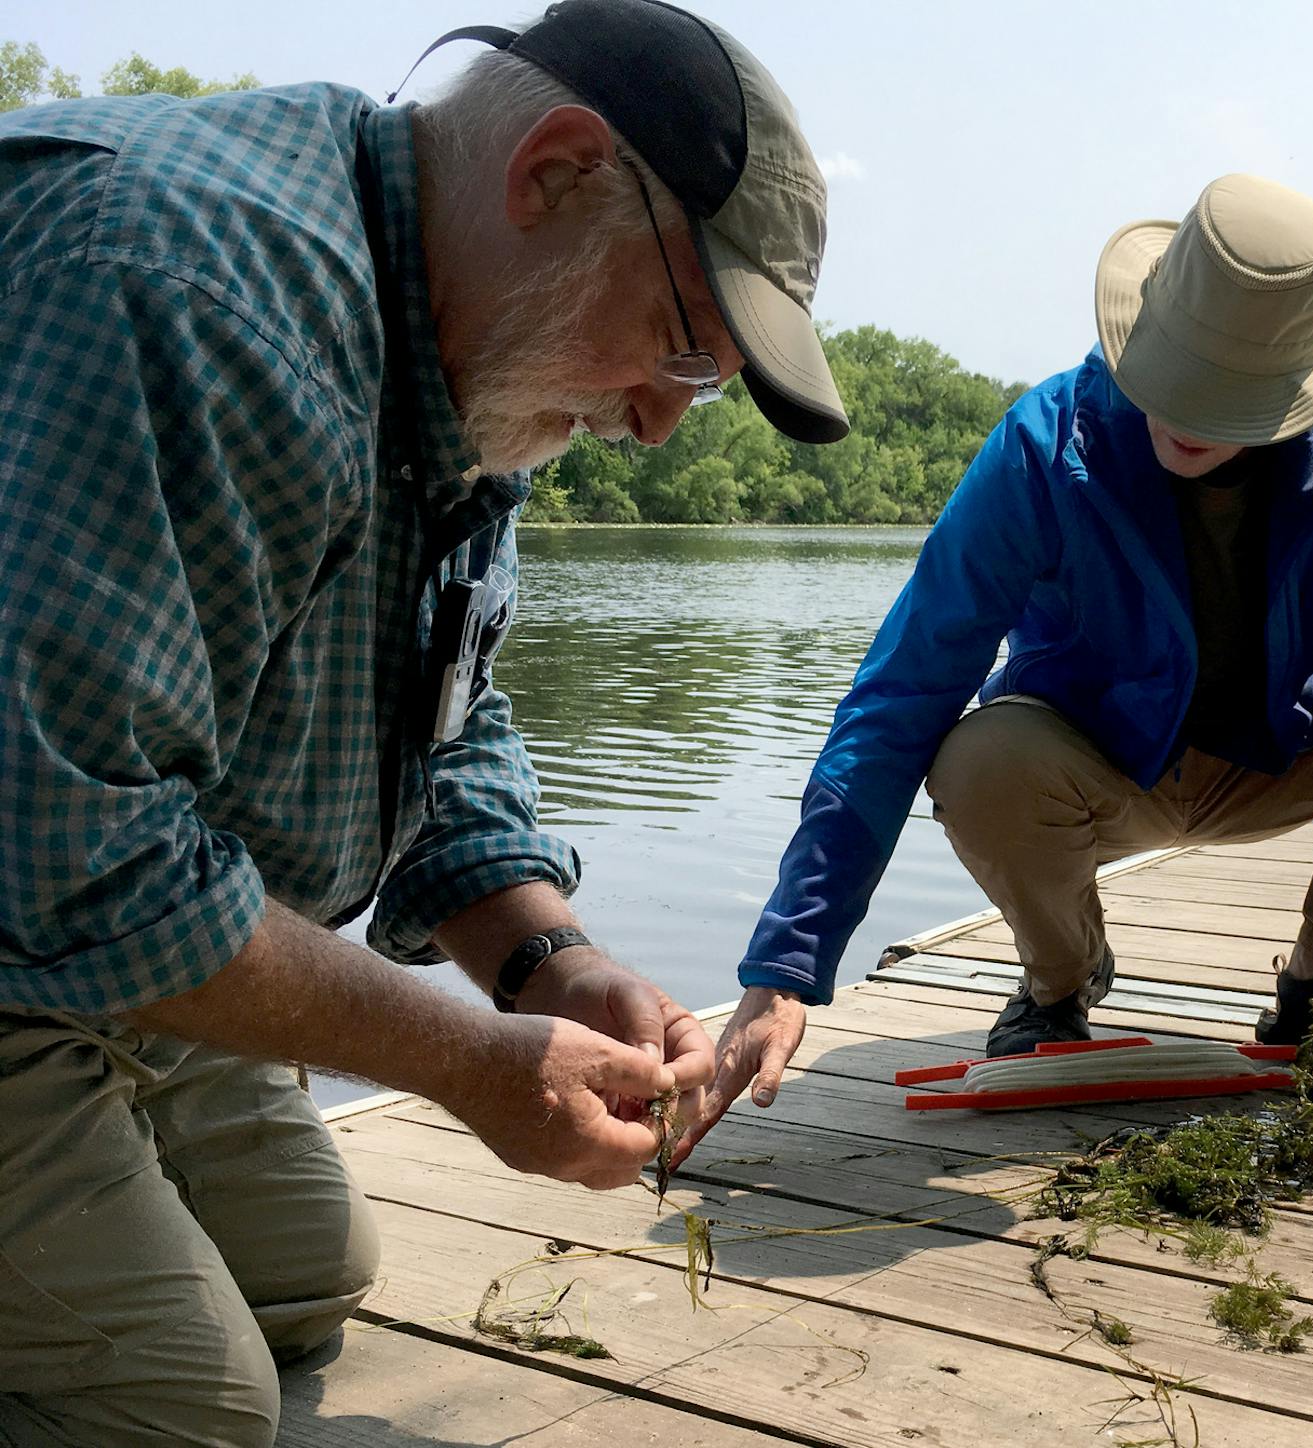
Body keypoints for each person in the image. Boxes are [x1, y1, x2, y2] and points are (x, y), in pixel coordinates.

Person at [0, 2, 846, 1441]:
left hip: (102, 942)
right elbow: (69, 852)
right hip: (33, 919)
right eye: (679, 346)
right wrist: (463, 1065)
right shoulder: (188, 287)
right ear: (555, 171)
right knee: (178, 1408)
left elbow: (441, 719)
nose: (655, 422)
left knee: (304, 1281)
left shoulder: (476, 349)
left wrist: (547, 965)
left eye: (696, 390)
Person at [689, 173, 1313, 1151]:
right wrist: (786, 963)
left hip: (1271, 754)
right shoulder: (1044, 447)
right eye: (1170, 373)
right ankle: (1060, 982)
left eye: (1227, 397)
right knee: (975, 755)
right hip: (1093, 772)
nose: (1184, 411)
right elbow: (898, 695)